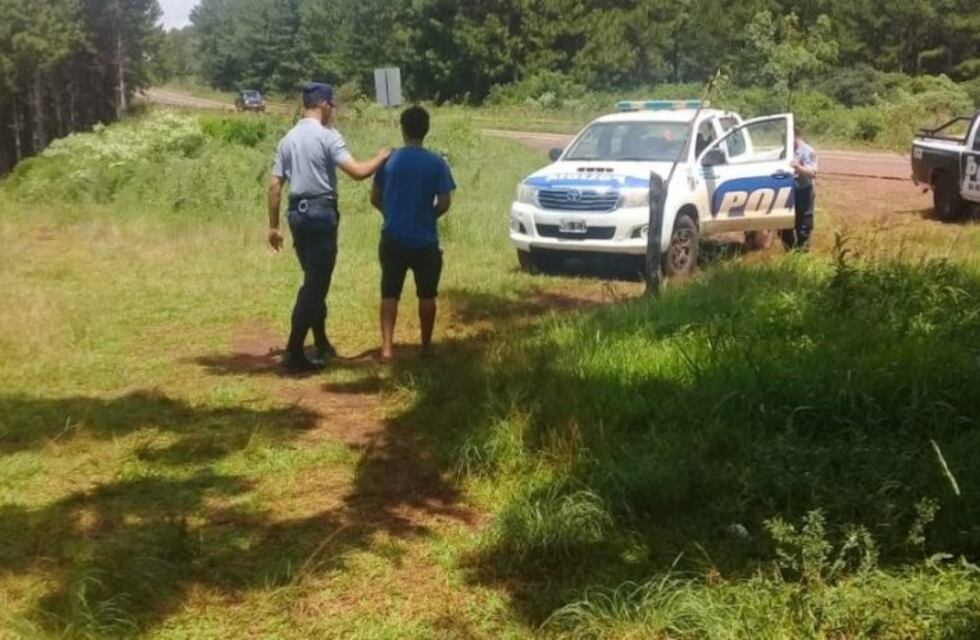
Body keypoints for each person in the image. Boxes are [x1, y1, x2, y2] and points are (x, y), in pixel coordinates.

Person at [268, 83, 390, 371]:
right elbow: (358, 172)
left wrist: (273, 227)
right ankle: (294, 351)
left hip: (296, 215)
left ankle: (321, 342)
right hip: (321, 214)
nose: (333, 111)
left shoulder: (288, 139)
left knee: (314, 278)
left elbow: (274, 186)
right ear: (323, 105)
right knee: (315, 285)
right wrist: (382, 157)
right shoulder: (328, 136)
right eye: (332, 106)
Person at [370, 106, 456, 361]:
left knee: (389, 292)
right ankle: (426, 347)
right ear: (426, 130)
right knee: (427, 295)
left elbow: (375, 198)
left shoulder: (389, 160)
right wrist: (427, 217)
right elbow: (444, 202)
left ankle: (387, 348)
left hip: (393, 237)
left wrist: (391, 214)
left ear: (403, 128)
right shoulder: (436, 163)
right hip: (425, 240)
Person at [781, 127, 819, 251]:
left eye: (785, 137)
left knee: (803, 226)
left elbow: (812, 173)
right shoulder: (786, 152)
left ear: (794, 136)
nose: (782, 140)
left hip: (803, 192)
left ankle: (802, 254)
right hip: (787, 192)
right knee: (784, 225)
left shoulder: (808, 151)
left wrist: (798, 167)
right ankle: (790, 253)